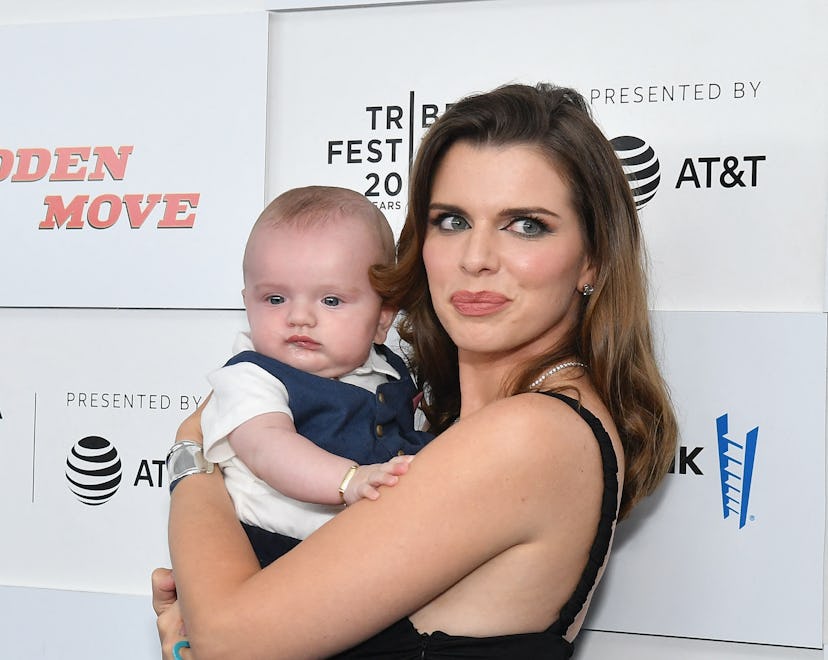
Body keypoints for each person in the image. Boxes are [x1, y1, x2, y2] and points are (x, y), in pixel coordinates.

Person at [154, 82, 678, 659]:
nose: (475, 257)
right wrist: (193, 619)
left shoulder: (528, 434)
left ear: (592, 259)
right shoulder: (444, 420)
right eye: (451, 220)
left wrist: (192, 458)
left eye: (526, 224)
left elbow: (230, 641)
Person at [195, 186, 432, 566]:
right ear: (247, 303)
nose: (299, 316)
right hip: (276, 551)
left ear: (382, 318)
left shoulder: (388, 372)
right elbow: (269, 448)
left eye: (331, 300)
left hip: (372, 547)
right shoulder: (250, 378)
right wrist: (347, 481)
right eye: (275, 299)